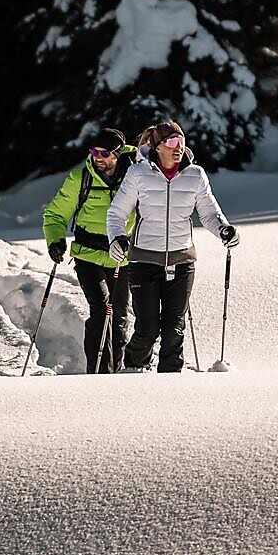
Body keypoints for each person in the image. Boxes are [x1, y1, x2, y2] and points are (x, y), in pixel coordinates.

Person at [105, 118, 238, 373]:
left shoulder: (195, 175)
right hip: (144, 260)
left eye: (181, 140)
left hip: (182, 260)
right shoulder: (138, 173)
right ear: (157, 147)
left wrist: (224, 230)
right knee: (147, 328)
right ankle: (133, 370)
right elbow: (116, 214)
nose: (178, 147)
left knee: (174, 328)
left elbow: (209, 213)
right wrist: (117, 239)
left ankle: (171, 381)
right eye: (172, 141)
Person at [42, 128, 138, 373]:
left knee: (118, 315)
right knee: (101, 309)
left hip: (122, 256)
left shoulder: (135, 177)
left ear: (118, 154)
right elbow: (55, 214)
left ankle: (116, 370)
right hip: (87, 254)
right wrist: (55, 240)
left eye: (104, 153)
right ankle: (97, 371)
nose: (98, 157)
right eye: (94, 151)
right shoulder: (81, 178)